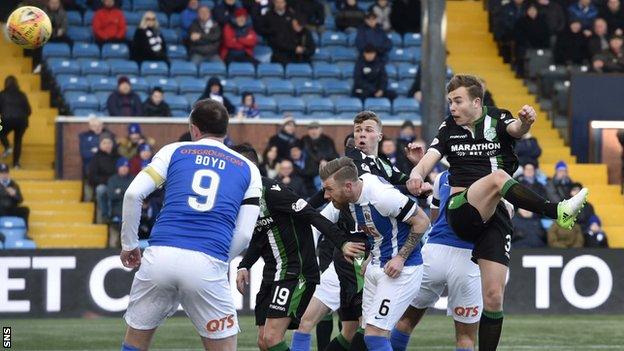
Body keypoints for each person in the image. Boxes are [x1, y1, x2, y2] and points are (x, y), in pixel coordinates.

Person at [407, 74, 588, 351]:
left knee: (493, 297)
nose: (452, 107)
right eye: (450, 102)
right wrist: (415, 174)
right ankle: (557, 211)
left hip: (496, 216)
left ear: (476, 102)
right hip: (462, 208)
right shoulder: (447, 128)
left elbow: (515, 129)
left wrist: (526, 121)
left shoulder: (497, 118)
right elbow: (427, 161)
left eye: (457, 101)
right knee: (498, 178)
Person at [119, 99, 262, 351]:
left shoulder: (173, 151)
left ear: (194, 129)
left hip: (159, 257)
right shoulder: (249, 168)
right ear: (226, 131)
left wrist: (129, 244)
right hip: (207, 261)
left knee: (134, 344)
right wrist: (220, 260)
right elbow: (243, 235)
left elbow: (132, 195)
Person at [295, 111, 425, 351]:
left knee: (362, 330)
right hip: (352, 252)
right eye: (357, 130)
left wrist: (419, 169)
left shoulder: (383, 166)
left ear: (379, 134)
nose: (361, 135)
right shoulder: (352, 163)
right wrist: (301, 209)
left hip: (371, 254)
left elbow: (416, 190)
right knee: (321, 322)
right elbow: (330, 196)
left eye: (367, 130)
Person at [233, 144, 364, 351]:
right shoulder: (243, 197)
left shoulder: (274, 191)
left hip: (295, 270)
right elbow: (259, 234)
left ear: (247, 167)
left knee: (273, 338)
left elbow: (311, 214)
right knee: (263, 342)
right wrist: (244, 265)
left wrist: (342, 242)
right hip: (272, 272)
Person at [391, 171, 483, 351]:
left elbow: (434, 217)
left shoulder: (442, 176)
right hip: (468, 255)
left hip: (434, 252)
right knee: (466, 337)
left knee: (405, 320)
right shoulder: (494, 176)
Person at [0, 76, 31, 169]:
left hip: (6, 119)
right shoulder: (22, 94)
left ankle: (7, 146)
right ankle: (16, 164)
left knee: (0, 131)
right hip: (22, 121)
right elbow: (29, 111)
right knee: (18, 140)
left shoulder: (2, 94)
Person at [88, 133, 118, 224]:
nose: (107, 145)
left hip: (117, 184)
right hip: (103, 184)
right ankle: (105, 216)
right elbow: (92, 177)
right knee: (101, 190)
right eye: (104, 143)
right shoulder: (96, 158)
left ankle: (116, 215)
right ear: (100, 144)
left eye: (109, 143)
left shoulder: (118, 156)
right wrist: (107, 181)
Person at [106, 157, 132, 247]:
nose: (124, 168)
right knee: (114, 238)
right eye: (122, 166)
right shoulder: (112, 179)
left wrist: (120, 191)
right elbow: (111, 195)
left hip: (130, 211)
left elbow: (134, 195)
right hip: (116, 210)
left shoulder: (133, 179)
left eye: (126, 166)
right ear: (118, 168)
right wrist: (125, 193)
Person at [0, 163, 30, 228]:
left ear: (8, 173)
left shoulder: (14, 185)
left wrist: (14, 195)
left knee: (25, 210)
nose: (4, 175)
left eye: (6, 173)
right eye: (2, 173)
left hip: (11, 209)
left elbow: (21, 200)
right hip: (1, 210)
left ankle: (25, 232)